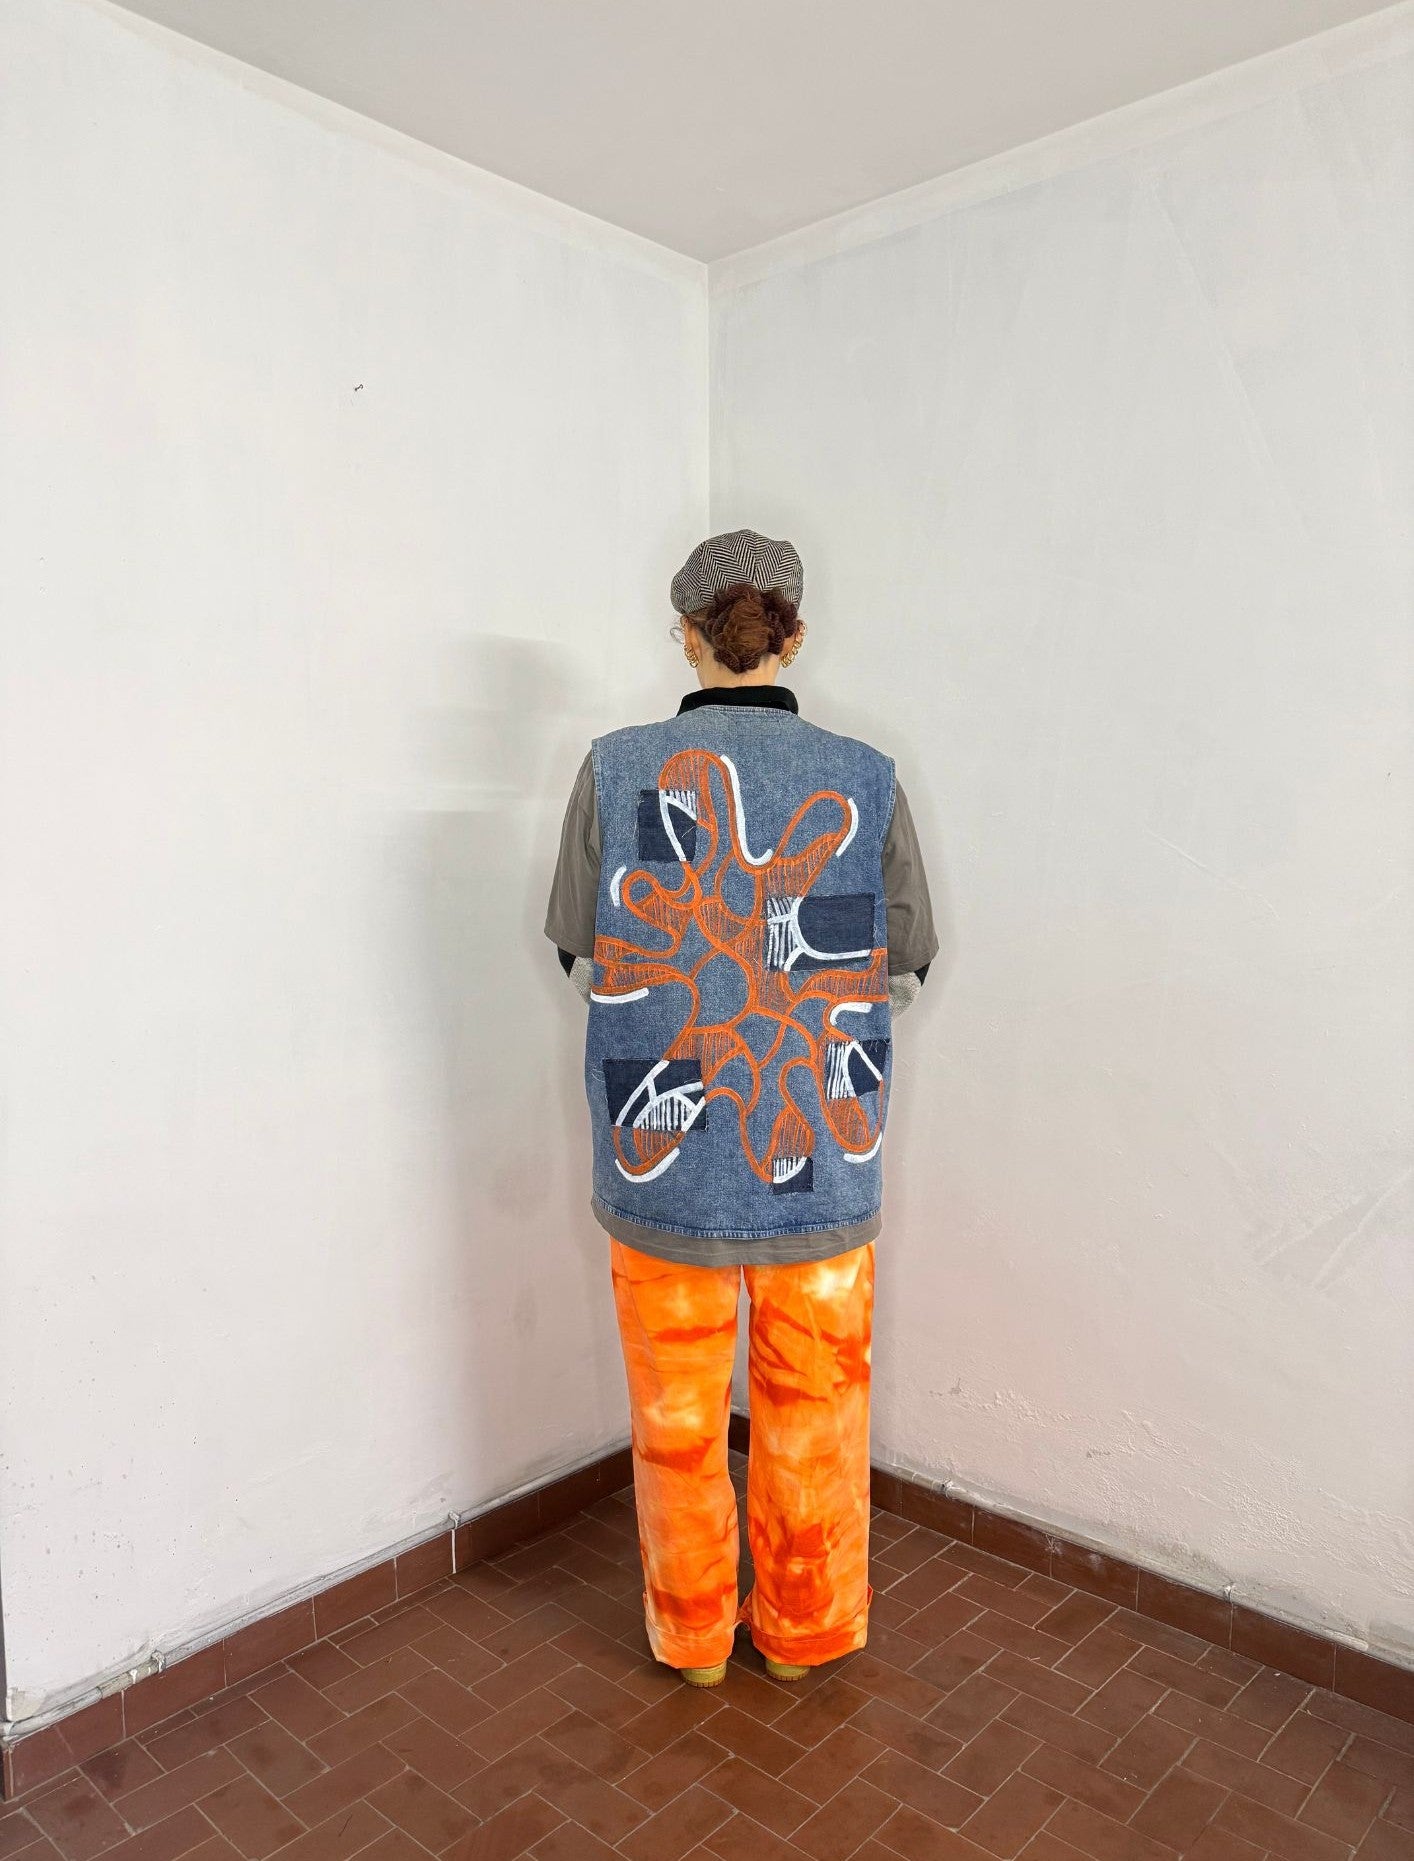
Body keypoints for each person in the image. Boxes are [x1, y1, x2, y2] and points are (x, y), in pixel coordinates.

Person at [543, 528, 940, 1688]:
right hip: (819, 1160)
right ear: (790, 638)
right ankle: (804, 1634)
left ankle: (694, 1639)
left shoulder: (615, 767)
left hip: (660, 1159)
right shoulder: (865, 777)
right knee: (814, 1418)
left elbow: (580, 952)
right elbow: (907, 959)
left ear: (686, 635)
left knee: (674, 1427)